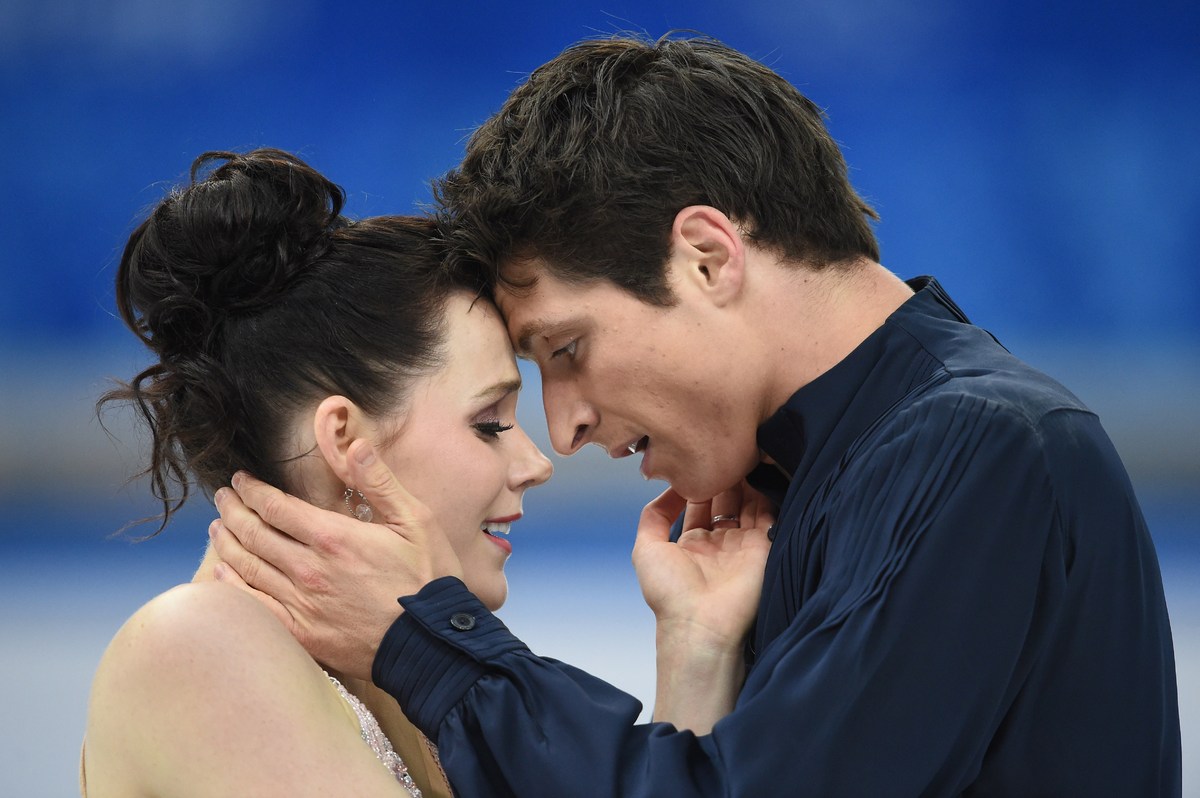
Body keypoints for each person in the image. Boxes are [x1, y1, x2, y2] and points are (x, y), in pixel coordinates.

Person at [211, 35, 1182, 796]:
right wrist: (699, 650)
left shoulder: (987, 450)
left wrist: (434, 647)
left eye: (567, 352)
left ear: (708, 258)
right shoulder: (839, 470)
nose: (567, 429)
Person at [83, 147, 771, 797]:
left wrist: (696, 650)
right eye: (490, 424)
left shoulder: (392, 665)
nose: (539, 463)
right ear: (347, 440)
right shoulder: (199, 644)